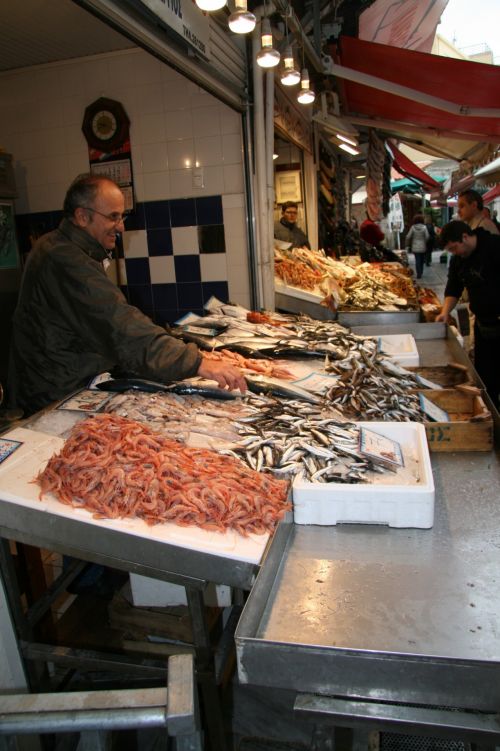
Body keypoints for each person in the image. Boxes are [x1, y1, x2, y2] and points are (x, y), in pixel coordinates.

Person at [8, 174, 246, 417]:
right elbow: (119, 323)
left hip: (61, 378)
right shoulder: (64, 258)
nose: (121, 226)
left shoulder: (63, 245)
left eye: (121, 216)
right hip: (53, 392)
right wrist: (196, 362)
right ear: (82, 216)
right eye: (113, 217)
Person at [435, 220, 500, 410]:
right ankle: (492, 416)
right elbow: (453, 288)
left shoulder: (495, 247)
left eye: (455, 248)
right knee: (486, 376)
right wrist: (444, 313)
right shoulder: (458, 260)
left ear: (465, 237)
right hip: (483, 326)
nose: (455, 253)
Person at [405, 214, 429, 279]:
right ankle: (421, 272)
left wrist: (407, 244)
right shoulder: (424, 227)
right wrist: (425, 242)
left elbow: (408, 236)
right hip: (423, 246)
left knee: (417, 260)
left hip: (415, 246)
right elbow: (427, 236)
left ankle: (418, 273)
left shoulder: (413, 227)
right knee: (421, 260)